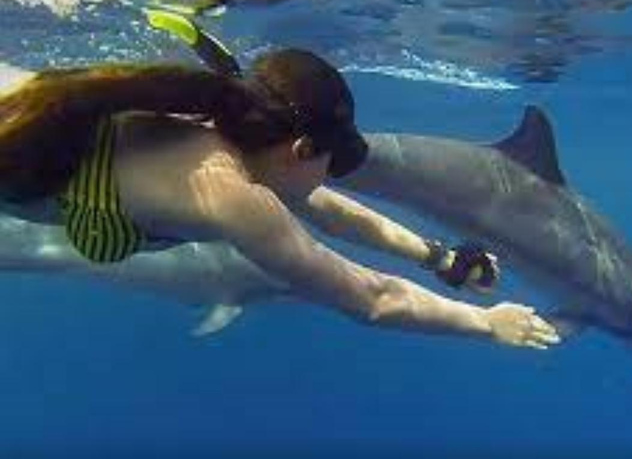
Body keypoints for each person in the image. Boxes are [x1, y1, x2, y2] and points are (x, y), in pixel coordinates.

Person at [0, 50, 559, 349]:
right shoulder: (230, 196)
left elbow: (328, 210)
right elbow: (374, 299)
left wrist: (439, 258)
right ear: (300, 148)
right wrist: (486, 323)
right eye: (330, 165)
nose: (329, 181)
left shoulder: (218, 122)